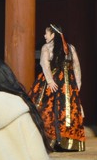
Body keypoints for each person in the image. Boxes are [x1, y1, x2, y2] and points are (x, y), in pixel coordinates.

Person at [29, 23, 84, 151]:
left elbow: (44, 64)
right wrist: (77, 83)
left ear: (53, 34)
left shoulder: (47, 48)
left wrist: (49, 81)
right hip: (67, 83)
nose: (44, 36)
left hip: (54, 82)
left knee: (47, 107)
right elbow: (76, 66)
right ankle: (67, 142)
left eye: (46, 33)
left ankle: (52, 140)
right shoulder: (70, 48)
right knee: (67, 110)